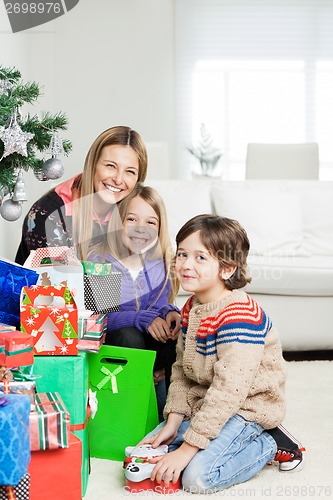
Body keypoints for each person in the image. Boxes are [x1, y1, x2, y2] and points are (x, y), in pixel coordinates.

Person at [138, 214, 305, 493]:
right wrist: (174, 419)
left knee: (197, 477)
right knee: (152, 450)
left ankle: (271, 443)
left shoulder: (239, 315)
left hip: (246, 407)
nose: (186, 265)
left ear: (227, 269)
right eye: (182, 254)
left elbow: (230, 390)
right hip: (209, 401)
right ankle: (194, 436)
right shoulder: (192, 307)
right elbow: (181, 369)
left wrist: (190, 446)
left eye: (200, 258)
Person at [88, 184, 181, 417]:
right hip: (116, 347)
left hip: (150, 351)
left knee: (176, 334)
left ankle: (174, 414)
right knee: (130, 334)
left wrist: (169, 313)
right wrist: (140, 319)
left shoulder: (161, 263)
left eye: (151, 222)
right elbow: (97, 319)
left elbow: (159, 307)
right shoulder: (101, 261)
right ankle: (131, 413)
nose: (141, 229)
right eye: (132, 219)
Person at [15, 125, 148, 264]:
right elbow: (56, 282)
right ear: (93, 165)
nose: (118, 180)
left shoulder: (135, 213)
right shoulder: (49, 214)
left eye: (130, 172)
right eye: (110, 166)